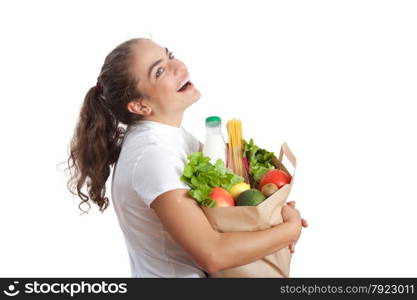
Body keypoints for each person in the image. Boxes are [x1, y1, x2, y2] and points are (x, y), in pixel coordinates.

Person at [67, 37, 308, 278]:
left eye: (169, 55)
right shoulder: (153, 155)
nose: (178, 66)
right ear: (139, 106)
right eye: (159, 71)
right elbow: (212, 255)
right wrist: (289, 230)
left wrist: (271, 217)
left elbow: (224, 202)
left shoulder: (169, 136)